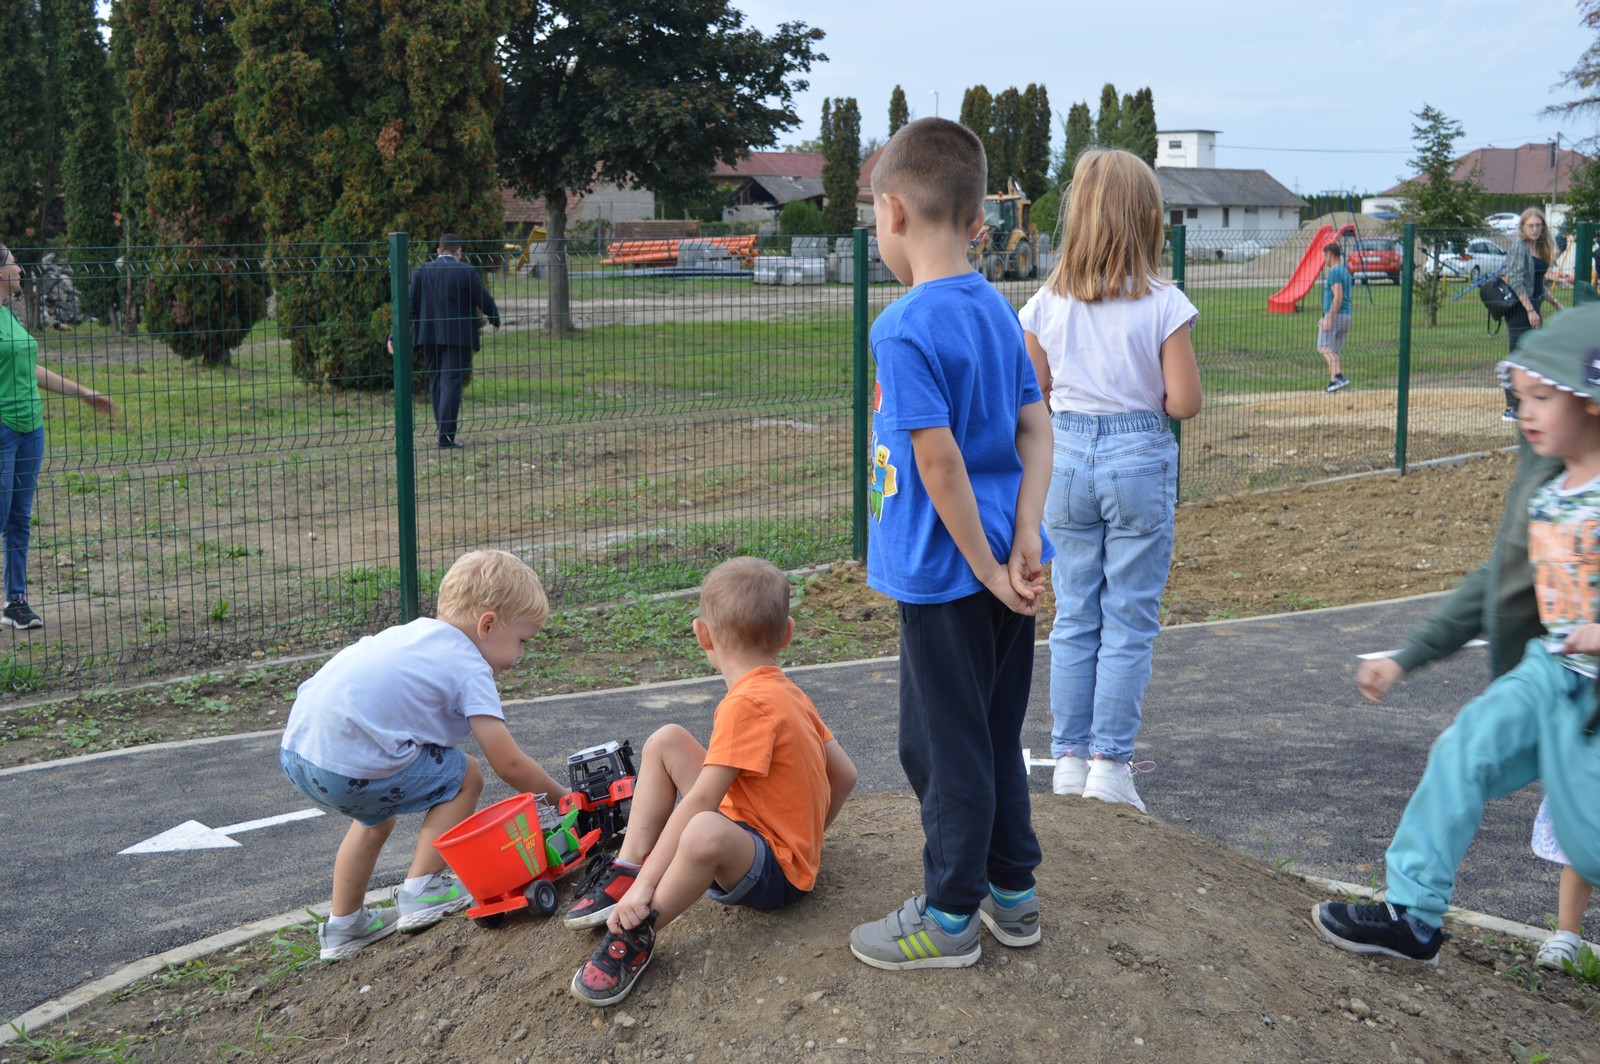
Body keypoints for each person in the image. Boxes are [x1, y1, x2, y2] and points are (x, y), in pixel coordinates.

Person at [1313, 303, 1600, 966]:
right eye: (1519, 397)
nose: (1524, 413)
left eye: (1542, 398)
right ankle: (1412, 914)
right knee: (1462, 749)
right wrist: (1406, 656)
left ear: (1589, 398)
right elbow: (1493, 586)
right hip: (1547, 673)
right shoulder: (1547, 491)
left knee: (1588, 845)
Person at [846, 117, 1053, 972]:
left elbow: (937, 464)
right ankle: (1013, 893)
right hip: (1005, 566)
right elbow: (1037, 429)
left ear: (892, 212)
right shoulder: (999, 311)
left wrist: (982, 570)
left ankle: (949, 916)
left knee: (941, 745)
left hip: (948, 576)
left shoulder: (903, 328)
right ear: (976, 220)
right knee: (993, 733)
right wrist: (1024, 537)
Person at [563, 556, 857, 1006]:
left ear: (702, 634)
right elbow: (845, 774)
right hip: (759, 836)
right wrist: (809, 838)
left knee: (702, 829)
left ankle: (638, 927)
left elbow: (701, 801)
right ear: (787, 633)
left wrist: (649, 887)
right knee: (668, 740)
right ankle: (628, 867)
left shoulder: (744, 705)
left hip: (775, 874)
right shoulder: (790, 693)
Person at [1018, 148, 1203, 813]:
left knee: (1074, 615)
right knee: (1128, 618)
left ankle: (1068, 760)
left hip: (1064, 460)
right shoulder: (1164, 304)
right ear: (1149, 220)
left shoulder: (1045, 303)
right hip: (1137, 462)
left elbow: (1033, 392)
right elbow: (1184, 403)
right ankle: (1110, 766)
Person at [279, 548, 567, 961]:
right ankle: (422, 889)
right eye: (522, 641)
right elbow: (508, 763)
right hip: (353, 762)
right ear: (487, 625)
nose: (520, 656)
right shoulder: (469, 665)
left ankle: (344, 925)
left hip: (299, 753)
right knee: (466, 776)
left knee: (375, 818)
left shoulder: (409, 635)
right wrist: (562, 798)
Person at [0, 245, 116, 631]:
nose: (19, 268)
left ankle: (15, 601)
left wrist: (84, 393)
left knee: (19, 517)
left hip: (30, 429)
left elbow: (30, 369)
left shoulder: (10, 316)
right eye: (13, 263)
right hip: (2, 429)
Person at [390, 234, 500, 449]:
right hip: (458, 337)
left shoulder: (421, 271)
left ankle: (443, 429)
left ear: (438, 251)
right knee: (451, 382)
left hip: (429, 336)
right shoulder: (466, 271)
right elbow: (483, 298)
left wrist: (394, 333)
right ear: (458, 251)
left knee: (436, 382)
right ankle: (446, 435)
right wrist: (494, 317)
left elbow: (409, 306)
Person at [1501, 207, 1564, 420]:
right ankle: (1511, 407)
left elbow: (1537, 283)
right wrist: (1529, 310)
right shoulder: (1519, 247)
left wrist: (1555, 303)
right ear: (1523, 227)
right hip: (1520, 308)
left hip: (1534, 305)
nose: (1535, 229)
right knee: (1518, 355)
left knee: (1533, 355)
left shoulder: (1539, 248)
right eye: (1530, 226)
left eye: (1538, 226)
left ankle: (1527, 403)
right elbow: (1516, 281)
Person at [1317, 242, 1352, 394]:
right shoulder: (1345, 271)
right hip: (1346, 315)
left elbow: (1338, 296)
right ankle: (1333, 384)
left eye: (1324, 256)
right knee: (1334, 351)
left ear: (1330, 255)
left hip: (1336, 315)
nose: (1324, 260)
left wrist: (1329, 318)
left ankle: (1338, 377)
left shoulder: (1334, 272)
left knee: (1323, 347)